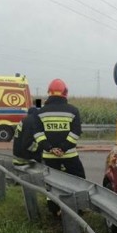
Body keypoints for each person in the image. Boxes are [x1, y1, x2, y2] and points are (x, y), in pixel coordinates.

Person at [34, 79, 86, 216]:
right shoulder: (73, 111)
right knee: (78, 180)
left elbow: (38, 135)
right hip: (70, 155)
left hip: (49, 156)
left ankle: (54, 209)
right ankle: (78, 208)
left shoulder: (40, 112)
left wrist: (50, 148)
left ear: (49, 93)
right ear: (65, 93)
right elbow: (75, 133)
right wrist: (63, 148)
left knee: (51, 183)